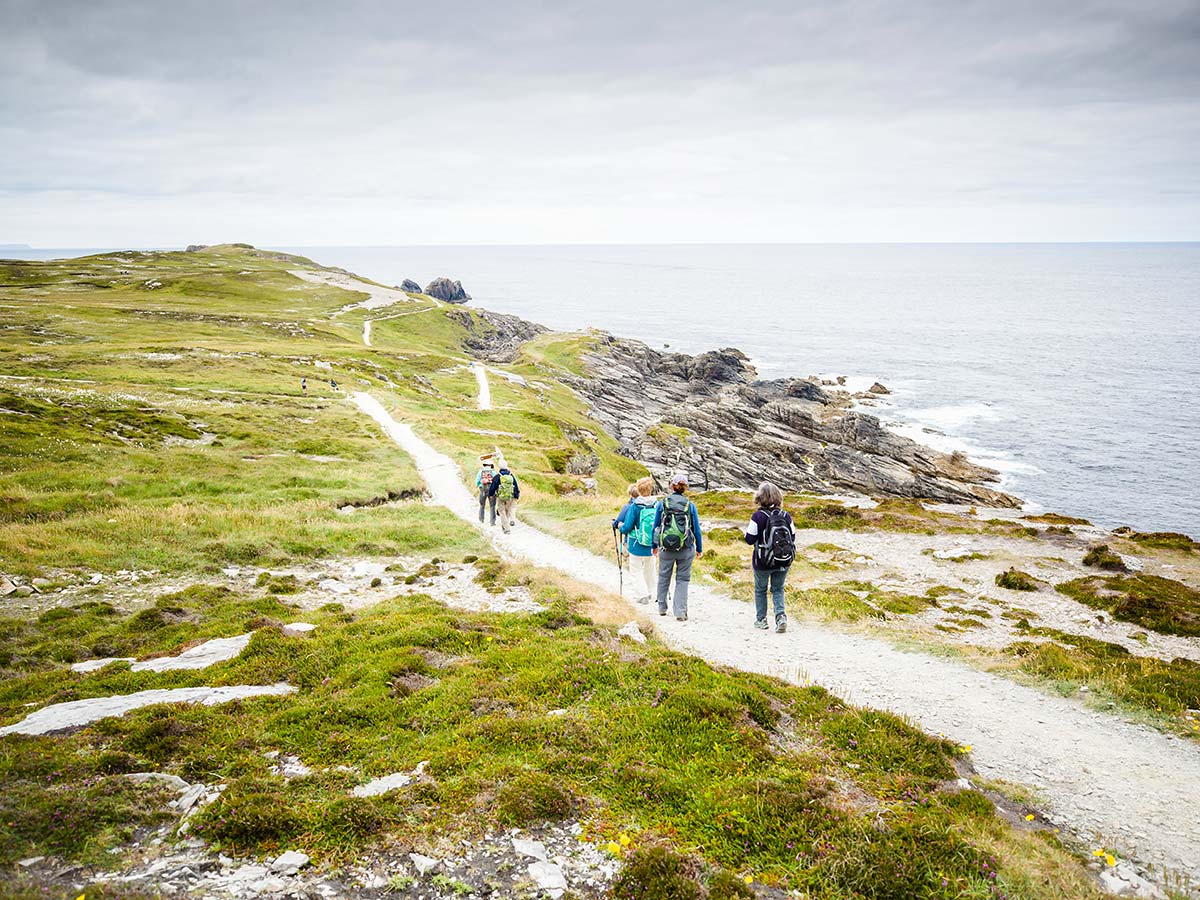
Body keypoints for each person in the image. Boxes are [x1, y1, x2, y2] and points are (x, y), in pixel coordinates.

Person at [743, 480, 796, 633]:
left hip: (762, 561)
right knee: (778, 589)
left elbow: (749, 539)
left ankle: (761, 620)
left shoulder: (757, 516)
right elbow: (792, 536)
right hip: (783, 559)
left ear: (760, 497)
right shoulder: (786, 515)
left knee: (760, 590)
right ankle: (781, 618)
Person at [652, 472, 702, 620]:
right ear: (685, 488)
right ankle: (680, 611)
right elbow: (696, 530)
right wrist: (699, 548)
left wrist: (654, 545)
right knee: (682, 579)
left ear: (671, 486)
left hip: (665, 548)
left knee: (663, 576)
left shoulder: (663, 503)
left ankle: (662, 607)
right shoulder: (690, 505)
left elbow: (655, 526)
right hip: (685, 548)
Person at [619, 477, 659, 604]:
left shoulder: (635, 506)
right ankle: (653, 593)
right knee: (650, 569)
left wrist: (620, 526)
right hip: (652, 543)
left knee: (636, 570)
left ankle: (642, 595)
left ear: (638, 490)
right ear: (651, 489)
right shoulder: (657, 504)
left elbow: (627, 527)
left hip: (636, 543)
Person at [488, 457, 520, 533]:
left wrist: (490, 494)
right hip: (510, 496)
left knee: (501, 512)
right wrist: (516, 495)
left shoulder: (497, 476)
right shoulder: (511, 475)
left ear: (499, 467)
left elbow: (493, 486)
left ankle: (506, 528)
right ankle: (505, 526)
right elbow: (515, 485)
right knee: (507, 512)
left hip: (501, 497)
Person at [475, 459, 498, 526]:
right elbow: (496, 482)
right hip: (492, 490)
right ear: (491, 465)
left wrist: (479, 486)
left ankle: (481, 520)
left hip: (483, 490)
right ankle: (492, 522)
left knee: (482, 505)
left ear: (484, 465)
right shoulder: (493, 472)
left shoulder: (480, 472)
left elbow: (477, 481)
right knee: (492, 506)